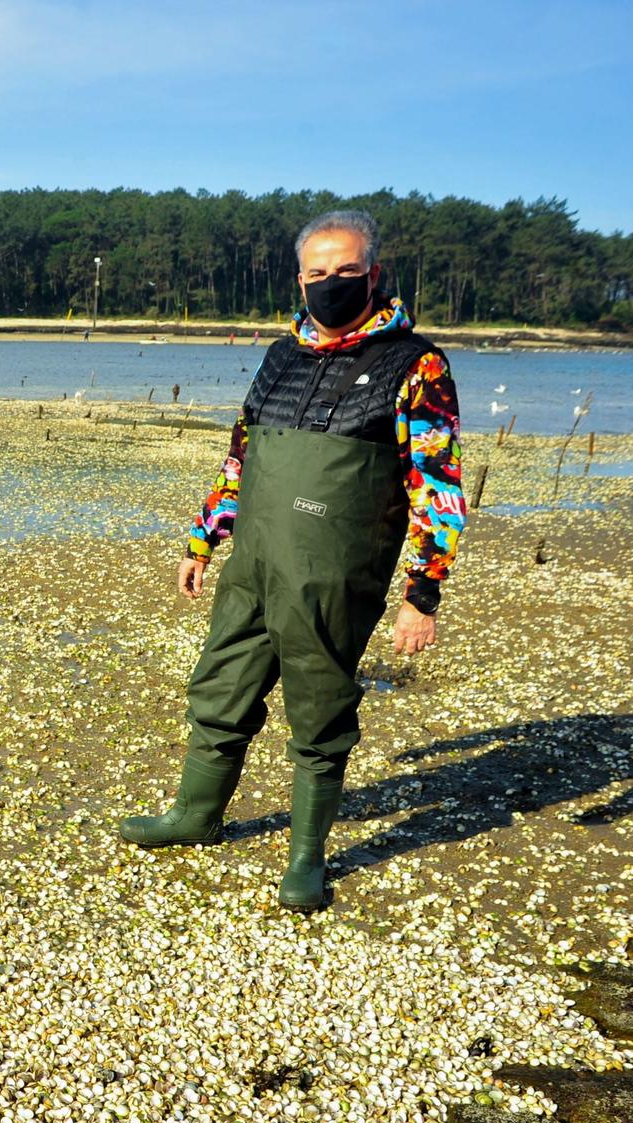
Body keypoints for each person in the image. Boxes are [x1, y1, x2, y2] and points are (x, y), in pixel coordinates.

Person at [119, 208, 465, 913]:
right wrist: (202, 540)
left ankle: (306, 857)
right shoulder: (281, 356)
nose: (330, 283)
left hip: (334, 572)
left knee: (320, 708)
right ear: (299, 279)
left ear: (374, 274)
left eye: (345, 272)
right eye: (317, 272)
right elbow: (240, 457)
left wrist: (421, 594)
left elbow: (438, 484)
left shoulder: (416, 363)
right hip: (255, 562)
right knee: (220, 685)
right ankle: (196, 815)